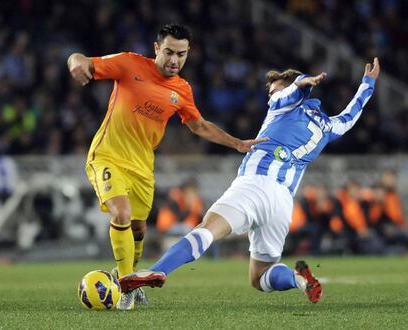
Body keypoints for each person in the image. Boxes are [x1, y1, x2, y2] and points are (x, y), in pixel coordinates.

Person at [119, 58, 380, 304]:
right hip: (282, 202)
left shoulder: (283, 104)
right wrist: (367, 85)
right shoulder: (326, 127)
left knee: (206, 229)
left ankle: (156, 271)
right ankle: (296, 277)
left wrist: (301, 82)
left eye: (274, 92)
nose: (271, 98)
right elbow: (349, 117)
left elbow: (290, 92)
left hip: (255, 185)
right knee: (259, 276)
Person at [67, 23, 266, 310]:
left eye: (181, 55)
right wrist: (76, 63)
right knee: (120, 212)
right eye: (170, 52)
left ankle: (126, 277)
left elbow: (198, 125)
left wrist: (235, 143)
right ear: (157, 48)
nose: (174, 60)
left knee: (138, 230)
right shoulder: (129, 63)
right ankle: (126, 285)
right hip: (107, 156)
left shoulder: (182, 90)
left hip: (143, 167)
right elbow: (82, 59)